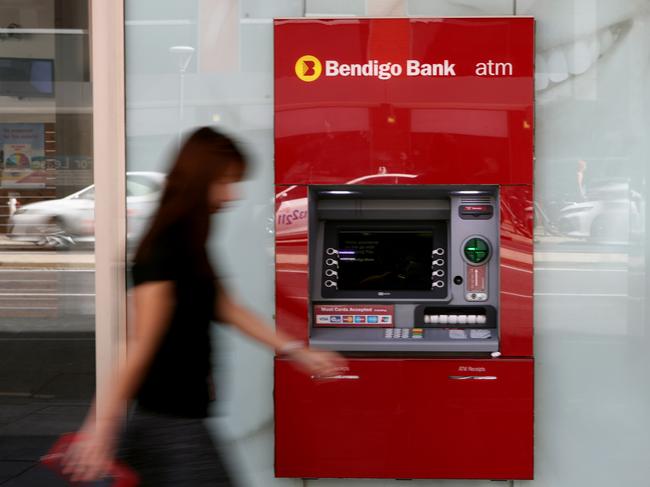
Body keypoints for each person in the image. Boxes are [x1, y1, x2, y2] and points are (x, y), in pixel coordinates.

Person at [62, 127, 346, 485]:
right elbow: (139, 344)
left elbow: (228, 308)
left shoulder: (190, 242)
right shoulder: (166, 247)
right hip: (169, 423)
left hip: (183, 419)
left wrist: (296, 351)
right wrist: (102, 427)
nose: (233, 194)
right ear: (201, 179)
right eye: (226, 181)